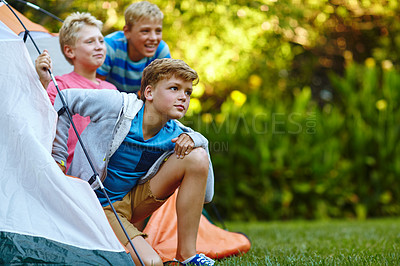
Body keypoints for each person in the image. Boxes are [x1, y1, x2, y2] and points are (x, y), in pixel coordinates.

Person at [52, 58, 215, 266]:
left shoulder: (178, 134)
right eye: (174, 88)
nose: (183, 97)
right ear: (149, 93)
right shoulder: (118, 106)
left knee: (197, 155)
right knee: (151, 263)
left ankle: (187, 256)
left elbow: (207, 195)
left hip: (132, 202)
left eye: (188, 92)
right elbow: (64, 99)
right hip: (98, 205)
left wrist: (199, 141)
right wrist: (58, 159)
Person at [35, 12, 117, 171]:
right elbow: (40, 121)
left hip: (104, 178)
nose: (99, 46)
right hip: (68, 173)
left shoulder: (111, 90)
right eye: (90, 41)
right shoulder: (59, 85)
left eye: (101, 40)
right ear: (70, 51)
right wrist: (43, 82)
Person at [96, 1, 171, 94]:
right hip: (109, 97)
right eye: (145, 31)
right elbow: (96, 86)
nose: (154, 38)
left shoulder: (161, 51)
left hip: (138, 101)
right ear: (127, 32)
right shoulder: (110, 46)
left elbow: (163, 89)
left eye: (158, 31)